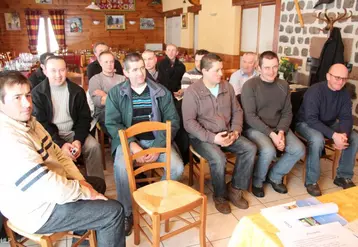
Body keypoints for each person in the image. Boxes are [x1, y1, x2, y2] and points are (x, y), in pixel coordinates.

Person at [0, 71, 125, 247]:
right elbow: (47, 186)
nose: (27, 103)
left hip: (48, 192)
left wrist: (82, 183)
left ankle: (83, 239)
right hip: (35, 210)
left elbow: (58, 154)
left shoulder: (30, 121)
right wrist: (86, 192)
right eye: (17, 98)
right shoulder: (8, 138)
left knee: (97, 183)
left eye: (28, 95)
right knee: (114, 211)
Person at [105, 53, 184, 236]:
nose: (140, 73)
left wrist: (158, 147)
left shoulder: (161, 91)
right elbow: (112, 124)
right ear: (125, 72)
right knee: (122, 167)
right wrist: (133, 145)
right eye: (134, 70)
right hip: (130, 143)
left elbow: (173, 121)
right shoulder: (116, 93)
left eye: (141, 67)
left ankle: (157, 201)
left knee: (177, 168)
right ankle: (127, 212)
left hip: (157, 139)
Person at [182, 53, 256, 214]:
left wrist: (236, 131)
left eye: (221, 69)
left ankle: (235, 189)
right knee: (218, 158)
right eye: (217, 71)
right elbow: (189, 123)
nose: (221, 74)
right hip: (203, 137)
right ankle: (220, 196)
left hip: (227, 132)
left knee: (250, 148)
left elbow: (237, 111)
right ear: (204, 71)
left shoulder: (227, 87)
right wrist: (213, 138)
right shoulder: (192, 92)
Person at [241, 51, 305, 198]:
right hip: (255, 128)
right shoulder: (250, 85)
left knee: (298, 149)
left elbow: (287, 113)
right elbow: (250, 117)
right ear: (259, 68)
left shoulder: (283, 85)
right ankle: (257, 182)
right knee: (268, 150)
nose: (272, 72)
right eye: (267, 68)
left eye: (275, 67)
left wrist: (281, 132)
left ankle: (275, 176)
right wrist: (272, 135)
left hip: (278, 127)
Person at [31, 56, 105, 180]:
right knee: (49, 155)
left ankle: (97, 186)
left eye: (62, 70)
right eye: (53, 71)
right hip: (50, 136)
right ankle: (65, 187)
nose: (58, 75)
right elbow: (42, 124)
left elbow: (84, 118)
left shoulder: (77, 91)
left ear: (67, 70)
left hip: (73, 132)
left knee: (94, 147)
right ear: (45, 71)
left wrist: (78, 140)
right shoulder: (37, 93)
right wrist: (61, 144)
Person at [295, 63, 357, 196]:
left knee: (354, 137)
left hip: (328, 123)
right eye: (337, 77)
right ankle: (311, 182)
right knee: (317, 139)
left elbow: (346, 118)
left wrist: (343, 136)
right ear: (328, 76)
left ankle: (343, 176)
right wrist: (334, 135)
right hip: (305, 123)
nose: (340, 82)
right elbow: (311, 119)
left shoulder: (344, 94)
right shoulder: (315, 91)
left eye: (344, 79)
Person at [89, 51, 126, 136]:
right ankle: (123, 143)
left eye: (111, 62)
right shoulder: (95, 79)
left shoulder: (122, 79)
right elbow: (99, 103)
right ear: (100, 63)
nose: (109, 64)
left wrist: (106, 95)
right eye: (106, 62)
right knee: (119, 132)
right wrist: (118, 97)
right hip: (104, 114)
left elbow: (127, 99)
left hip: (123, 112)